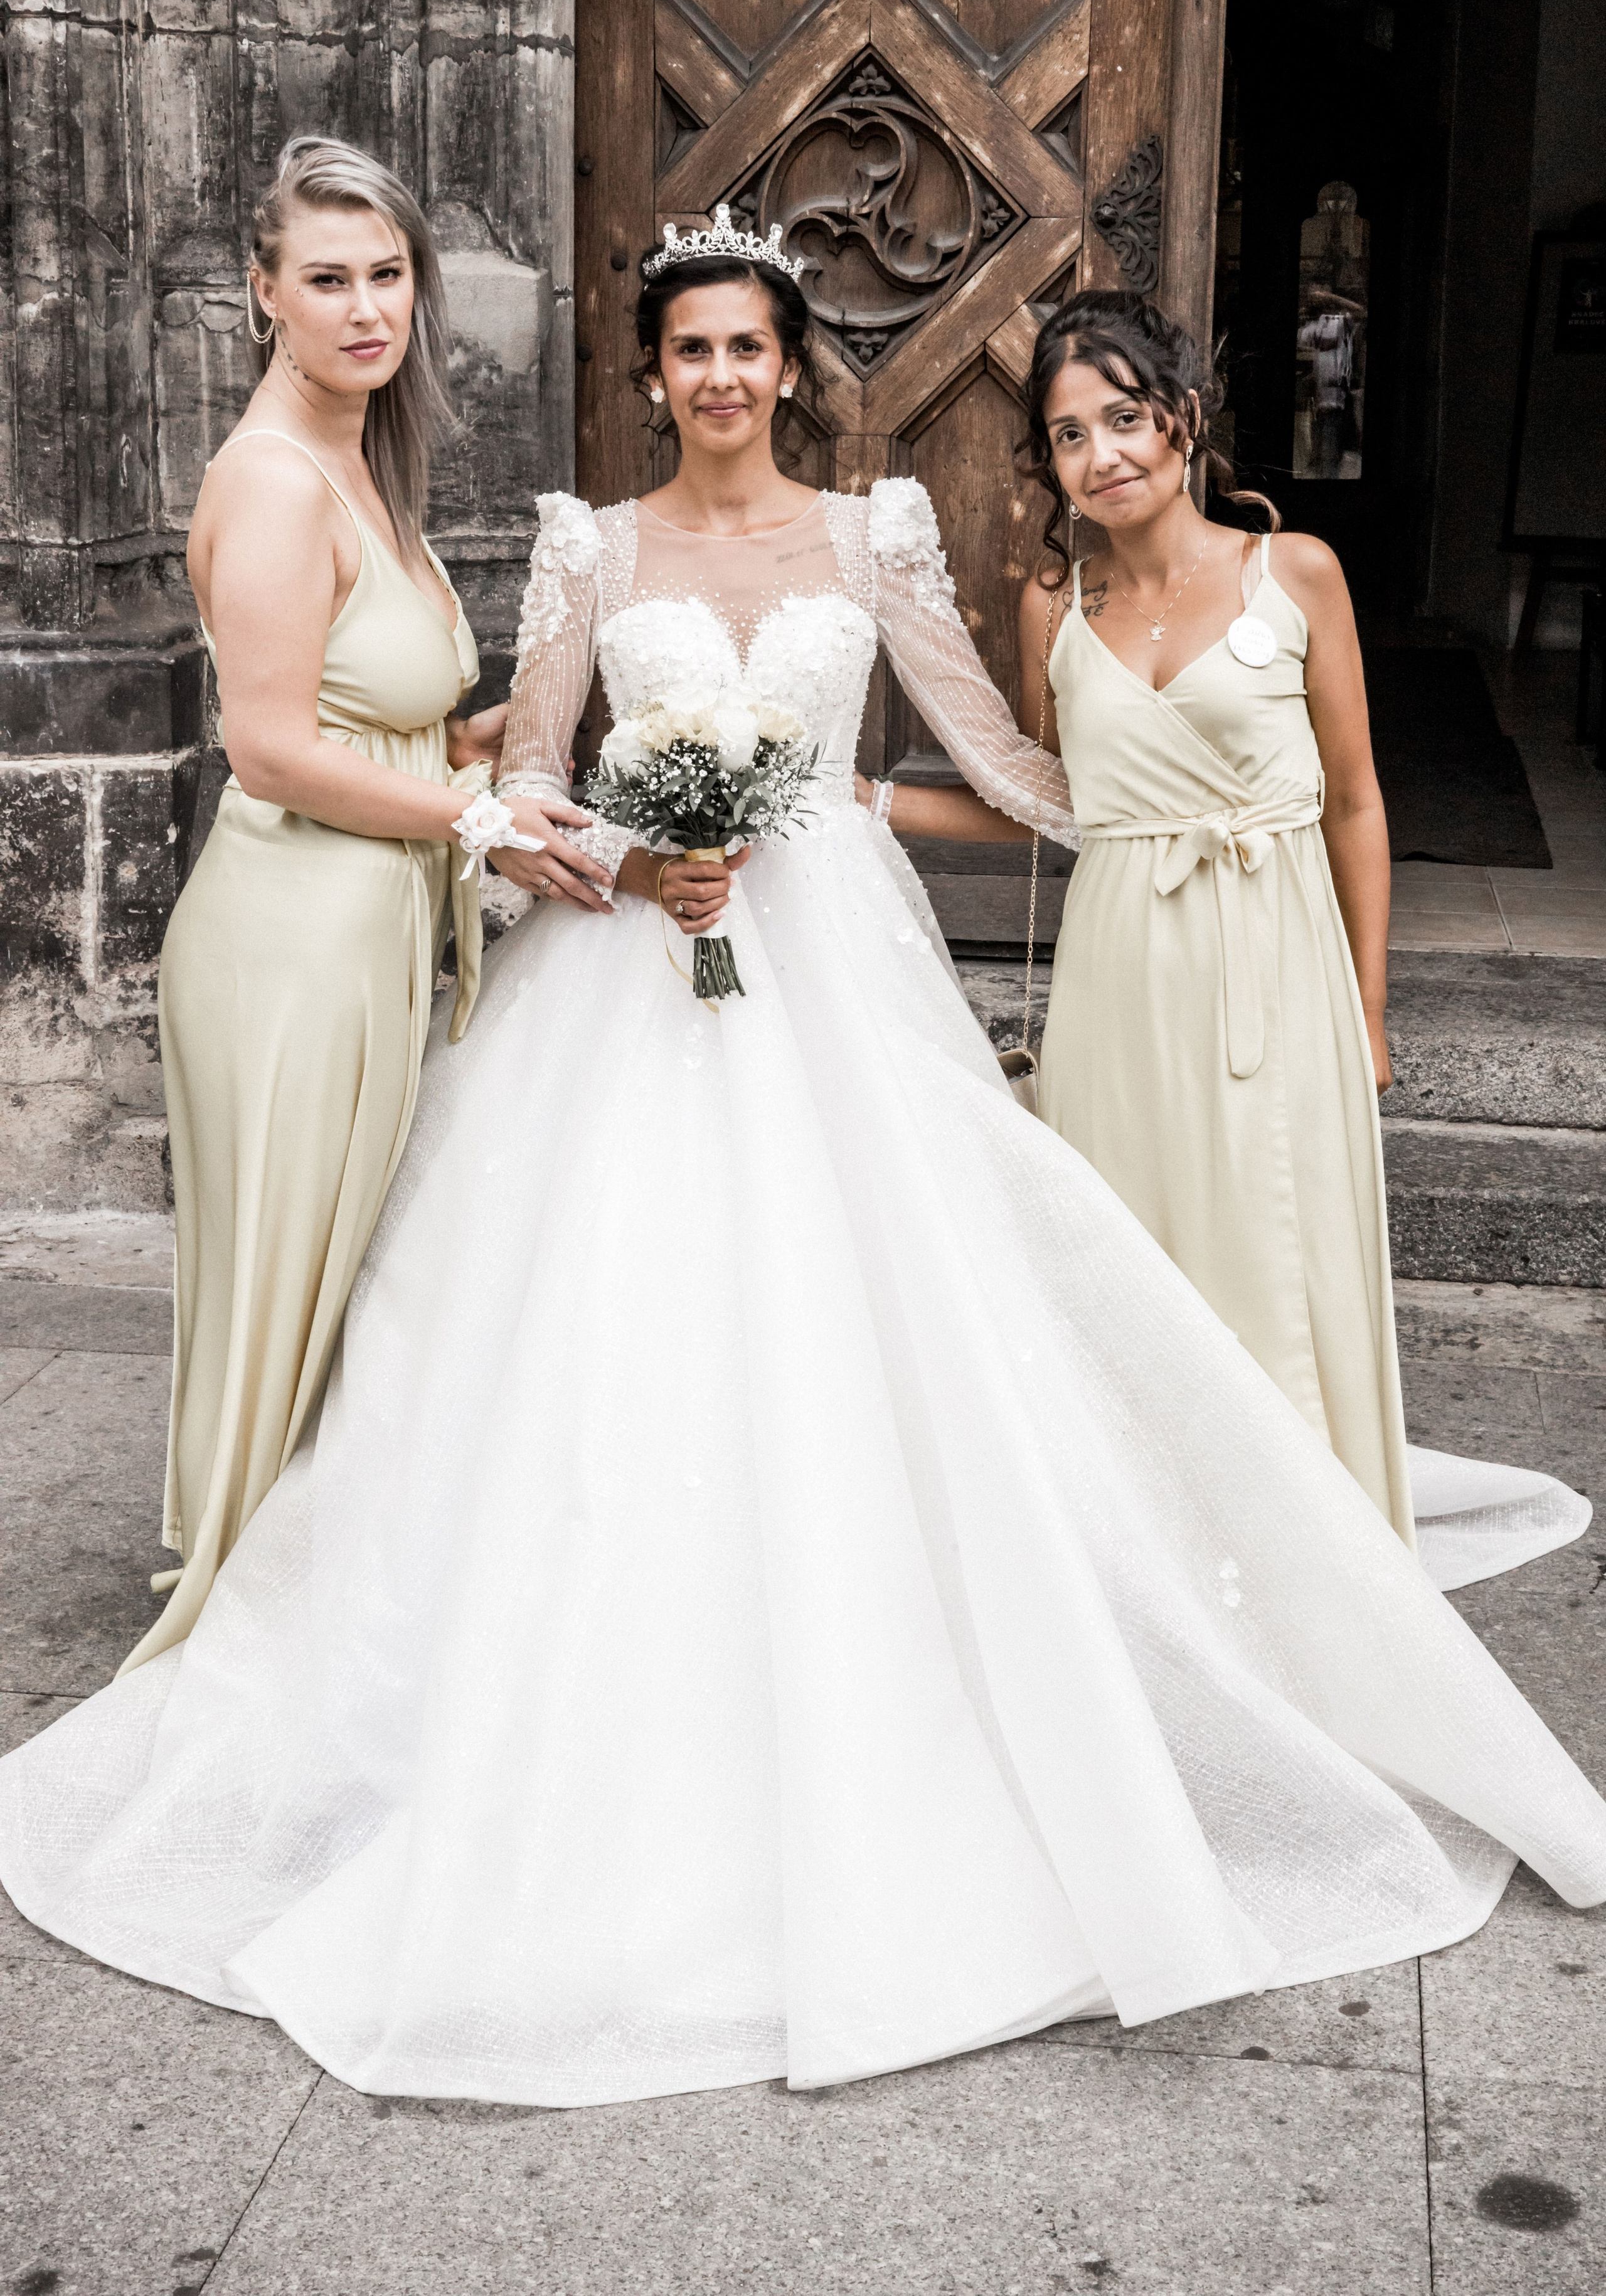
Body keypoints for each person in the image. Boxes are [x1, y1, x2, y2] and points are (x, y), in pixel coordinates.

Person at [3, 216, 1603, 2113]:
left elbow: (1003, 757)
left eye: (750, 350)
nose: (723, 381)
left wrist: (1172, 795)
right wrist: (620, 841)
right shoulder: (596, 543)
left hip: (841, 972)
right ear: (657, 375)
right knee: (592, 1331)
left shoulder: (881, 540)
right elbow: (547, 741)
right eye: (690, 355)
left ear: (790, 363)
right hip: (630, 974)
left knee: (896, 1319)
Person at [1019, 290, 1585, 1592]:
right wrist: (851, 798)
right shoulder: (1049, 603)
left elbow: (1356, 801)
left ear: (1184, 420)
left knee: (1270, 1246)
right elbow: (1048, 794)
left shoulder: (1298, 574)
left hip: (1273, 960)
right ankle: (1151, 1561)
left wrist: (1368, 1009)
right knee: (1132, 1251)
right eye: (1064, 435)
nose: (1099, 454)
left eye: (1121, 417)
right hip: (1114, 976)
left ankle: (1299, 1569)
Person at [131, 136, 607, 1675]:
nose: (363, 308)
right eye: (325, 279)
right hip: (293, 942)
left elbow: (372, 716)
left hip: (365, 918)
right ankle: (244, 1613)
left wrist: (512, 745)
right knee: (292, 1279)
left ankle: (296, 1581)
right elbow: (266, 744)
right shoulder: (271, 481)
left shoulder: (358, 461)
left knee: (335, 1285)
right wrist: (478, 818)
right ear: (262, 292)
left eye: (386, 275)